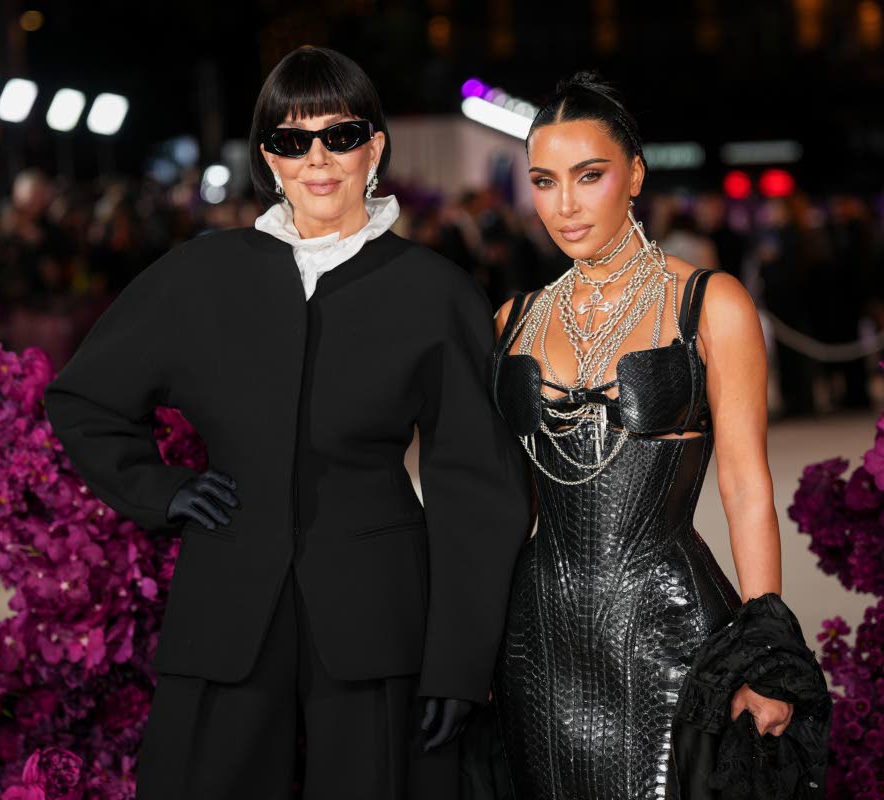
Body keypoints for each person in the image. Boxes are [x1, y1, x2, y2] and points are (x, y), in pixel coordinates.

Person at [44, 47, 530, 799]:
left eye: (340, 135)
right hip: (226, 605)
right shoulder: (199, 276)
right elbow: (85, 398)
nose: (317, 158)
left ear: (375, 148)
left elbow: (478, 488)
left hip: (381, 622)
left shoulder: (435, 293)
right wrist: (161, 489)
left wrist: (459, 663)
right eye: (290, 139)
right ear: (267, 158)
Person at [489, 73, 829, 799]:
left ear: (635, 173)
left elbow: (744, 488)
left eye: (590, 176)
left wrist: (766, 657)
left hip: (672, 636)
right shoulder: (513, 319)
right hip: (536, 642)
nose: (567, 204)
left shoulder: (709, 303)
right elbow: (499, 505)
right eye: (545, 181)